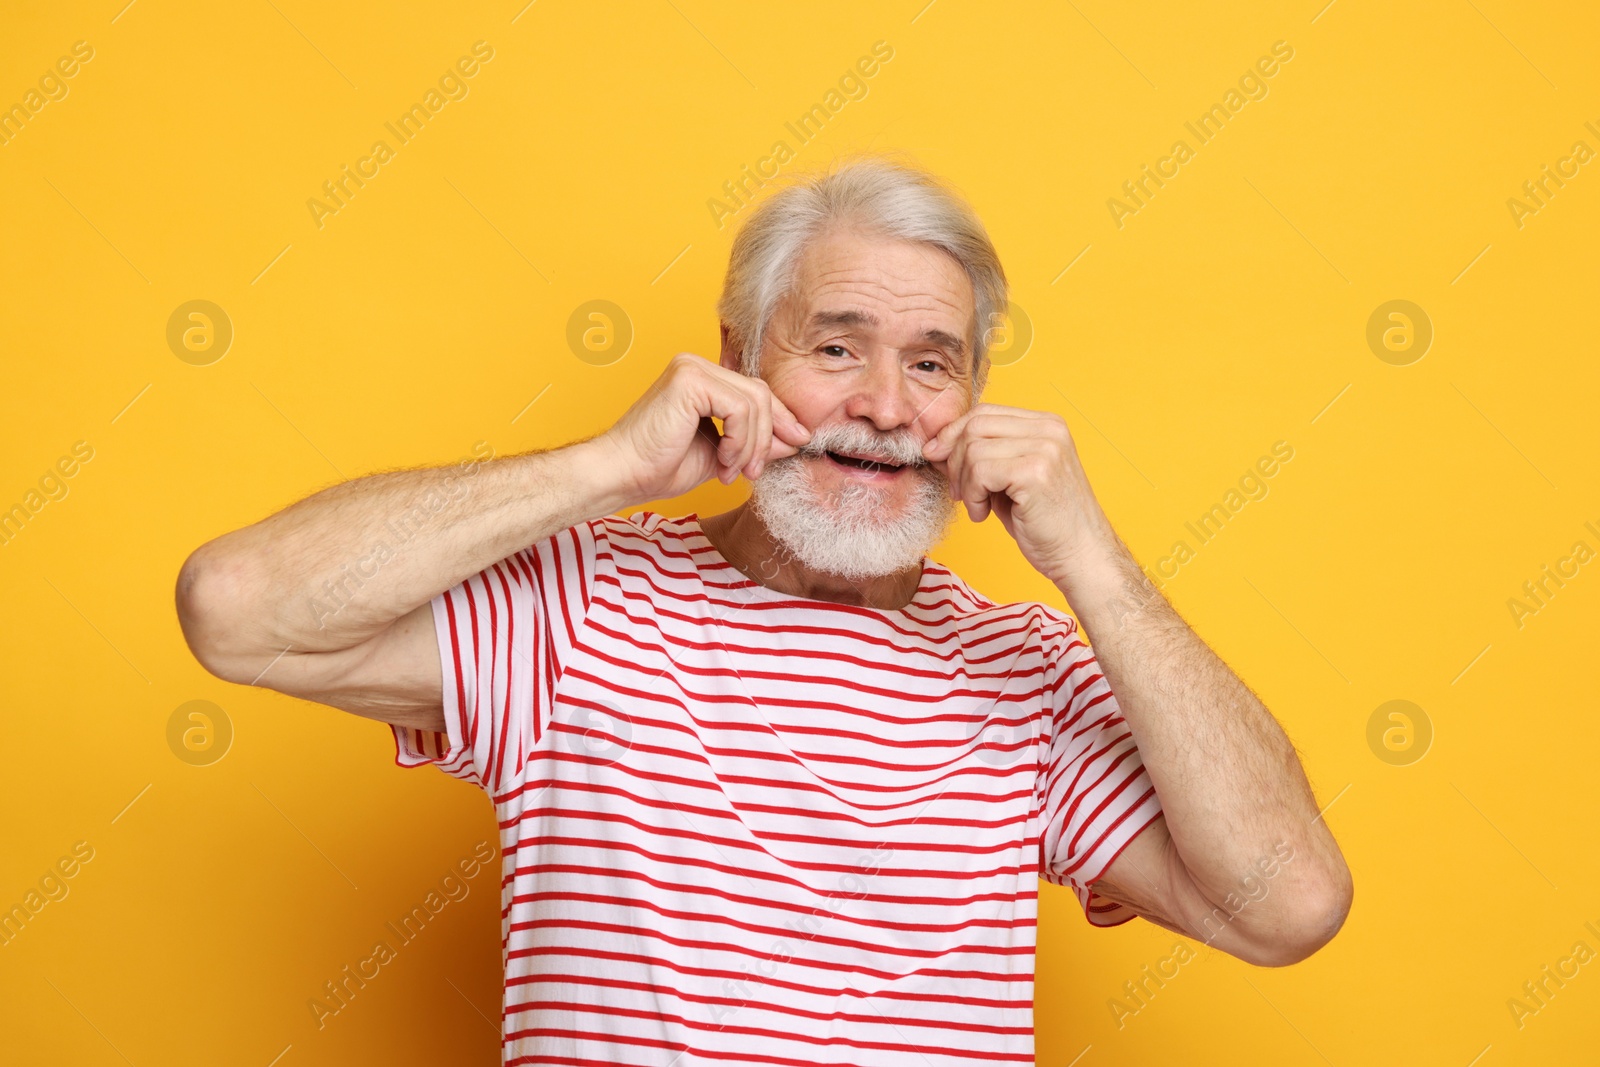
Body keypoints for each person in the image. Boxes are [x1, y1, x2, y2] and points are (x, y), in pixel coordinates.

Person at [175, 154, 1352, 1065]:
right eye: (836, 346)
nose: (886, 405)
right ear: (737, 357)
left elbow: (1286, 903)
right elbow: (238, 607)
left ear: (978, 400)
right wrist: (605, 467)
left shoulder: (1027, 670)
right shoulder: (580, 603)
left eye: (934, 365)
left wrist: (1094, 563)